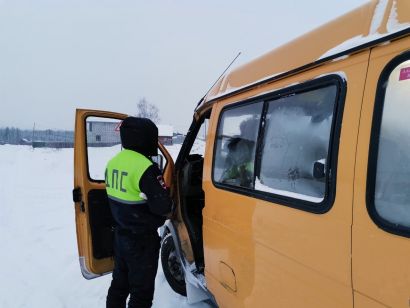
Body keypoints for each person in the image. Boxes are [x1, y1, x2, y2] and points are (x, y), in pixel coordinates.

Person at [104, 116, 173, 308]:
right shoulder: (145, 167)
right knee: (141, 294)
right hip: (141, 242)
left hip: (120, 236)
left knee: (119, 285)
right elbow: (163, 206)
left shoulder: (113, 162)